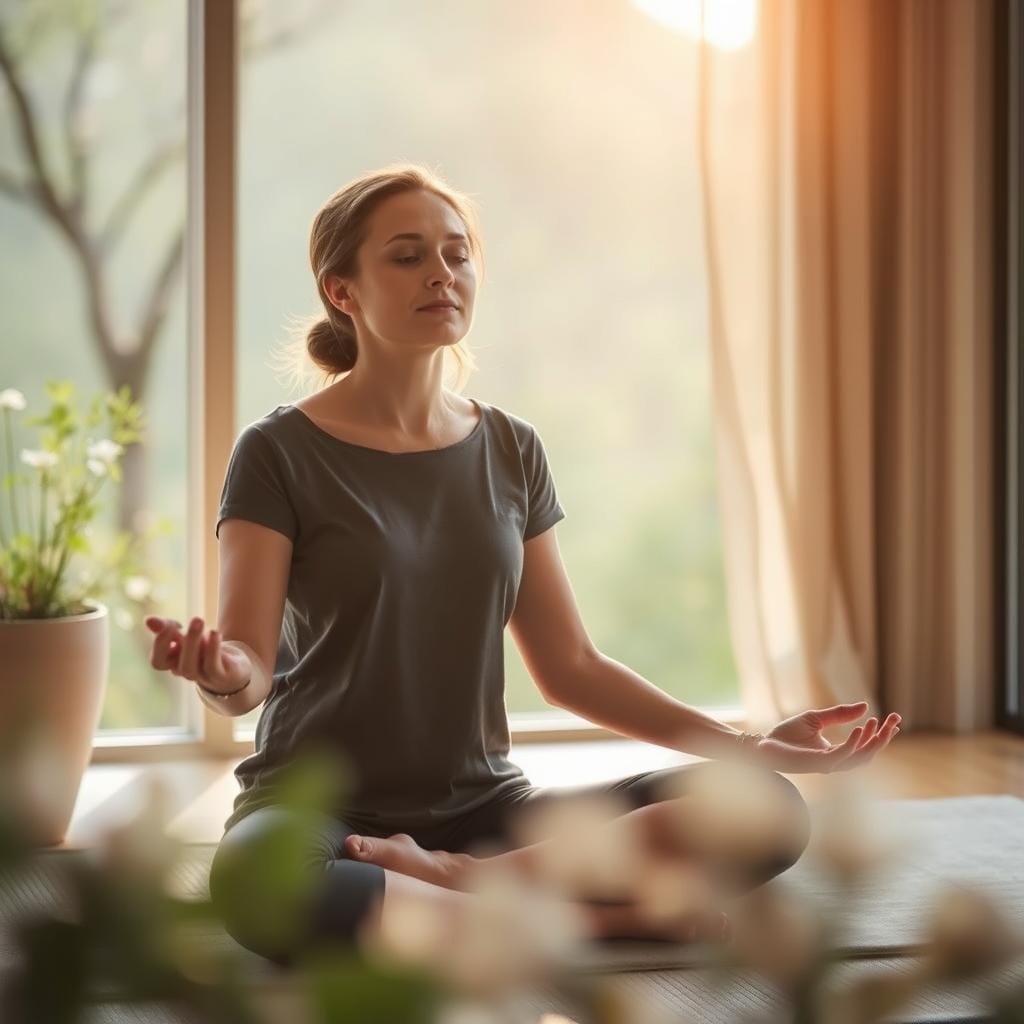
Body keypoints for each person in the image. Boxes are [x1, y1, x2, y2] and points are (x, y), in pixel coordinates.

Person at [144, 163, 902, 967]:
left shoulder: (511, 447)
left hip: (488, 815)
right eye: (407, 256)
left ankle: (465, 883)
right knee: (263, 884)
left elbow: (571, 667)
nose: (443, 272)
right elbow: (249, 672)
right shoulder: (277, 453)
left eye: (457, 252)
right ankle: (584, 923)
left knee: (766, 810)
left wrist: (745, 747)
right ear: (343, 290)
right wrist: (219, 670)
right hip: (317, 817)